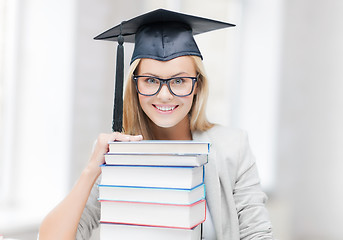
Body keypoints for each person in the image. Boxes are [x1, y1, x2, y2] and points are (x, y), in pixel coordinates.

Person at [39, 9, 273, 240]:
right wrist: (91, 170)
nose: (164, 95)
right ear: (134, 87)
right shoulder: (116, 154)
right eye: (151, 80)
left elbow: (257, 235)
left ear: (198, 87)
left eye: (179, 81)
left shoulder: (233, 147)